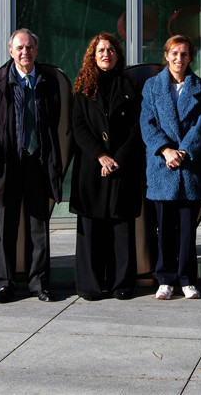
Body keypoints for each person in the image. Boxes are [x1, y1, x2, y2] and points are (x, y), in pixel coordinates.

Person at [0, 29, 64, 304]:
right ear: (10, 51)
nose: (24, 52)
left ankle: (38, 282)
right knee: (6, 227)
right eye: (19, 48)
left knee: (38, 227)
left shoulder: (48, 81)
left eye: (29, 47)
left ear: (36, 50)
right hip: (8, 165)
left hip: (37, 162)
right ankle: (4, 284)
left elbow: (55, 117)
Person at [70, 32, 143, 301]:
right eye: (101, 50)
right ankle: (90, 286)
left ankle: (121, 284)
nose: (106, 54)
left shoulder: (129, 85)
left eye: (111, 50)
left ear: (117, 54)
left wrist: (117, 158)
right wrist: (100, 156)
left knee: (121, 229)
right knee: (90, 230)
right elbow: (77, 126)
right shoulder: (82, 87)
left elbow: (137, 127)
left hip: (122, 166)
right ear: (93, 54)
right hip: (92, 167)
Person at [140, 35, 201, 300]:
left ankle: (188, 278)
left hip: (188, 165)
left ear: (190, 57)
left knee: (187, 229)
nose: (179, 59)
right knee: (164, 229)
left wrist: (184, 151)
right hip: (163, 165)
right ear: (166, 55)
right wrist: (166, 150)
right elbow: (147, 123)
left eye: (184, 54)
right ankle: (165, 279)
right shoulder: (152, 86)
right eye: (174, 53)